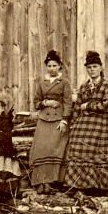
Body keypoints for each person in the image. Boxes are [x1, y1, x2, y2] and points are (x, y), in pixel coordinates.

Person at [63, 51, 108, 194]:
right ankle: (77, 184)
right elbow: (77, 107)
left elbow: (106, 106)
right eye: (89, 67)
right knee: (76, 144)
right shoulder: (83, 87)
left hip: (102, 122)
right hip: (84, 122)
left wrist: (87, 106)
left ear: (100, 67)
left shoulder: (107, 86)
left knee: (100, 150)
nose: (92, 70)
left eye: (94, 66)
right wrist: (74, 123)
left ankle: (102, 186)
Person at [29, 50, 72, 194]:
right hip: (43, 119)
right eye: (49, 66)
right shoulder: (42, 83)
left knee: (55, 150)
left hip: (58, 120)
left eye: (54, 65)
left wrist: (65, 120)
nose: (52, 68)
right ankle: (40, 182)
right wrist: (46, 102)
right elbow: (36, 102)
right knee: (40, 149)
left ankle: (52, 182)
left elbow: (68, 103)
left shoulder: (64, 82)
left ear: (60, 66)